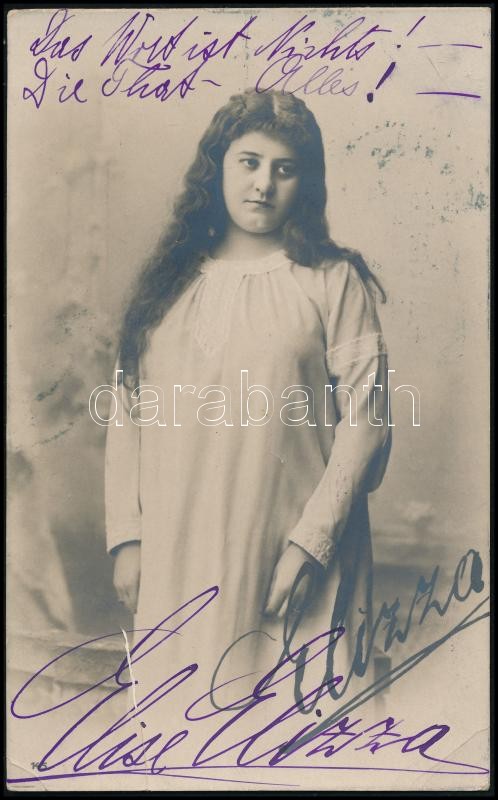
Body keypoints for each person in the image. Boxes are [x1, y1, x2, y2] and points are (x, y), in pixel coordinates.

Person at [104, 89, 392, 728]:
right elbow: (128, 413)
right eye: (249, 163)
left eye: (284, 169)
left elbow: (366, 423)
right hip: (179, 547)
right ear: (218, 167)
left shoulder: (331, 279)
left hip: (289, 547)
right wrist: (128, 536)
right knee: (182, 726)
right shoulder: (169, 282)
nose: (264, 183)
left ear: (305, 182)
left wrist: (311, 544)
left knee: (291, 729)